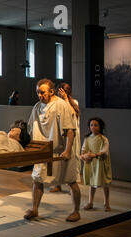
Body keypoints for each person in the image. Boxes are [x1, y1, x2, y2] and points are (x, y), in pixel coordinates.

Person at [25, 79, 81, 222]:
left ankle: (76, 211)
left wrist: (68, 150)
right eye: (37, 92)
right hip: (43, 151)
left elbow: (70, 130)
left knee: (71, 181)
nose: (39, 95)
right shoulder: (37, 107)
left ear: (51, 91)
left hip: (61, 150)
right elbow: (31, 128)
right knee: (37, 180)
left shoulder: (61, 105)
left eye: (42, 92)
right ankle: (35, 209)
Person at [50, 83, 81, 193]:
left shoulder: (73, 102)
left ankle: (73, 183)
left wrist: (66, 99)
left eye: (63, 91)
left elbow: (71, 113)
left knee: (73, 157)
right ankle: (58, 185)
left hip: (71, 134)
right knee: (58, 159)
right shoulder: (56, 103)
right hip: (60, 134)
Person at [81, 117, 112, 211]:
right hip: (91, 163)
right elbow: (84, 148)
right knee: (92, 182)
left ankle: (106, 203)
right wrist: (83, 155)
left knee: (105, 183)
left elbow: (104, 150)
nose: (93, 127)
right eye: (91, 125)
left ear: (100, 127)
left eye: (95, 125)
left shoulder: (103, 139)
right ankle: (90, 202)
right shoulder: (87, 138)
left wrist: (94, 155)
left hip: (101, 163)